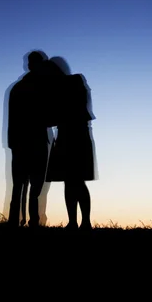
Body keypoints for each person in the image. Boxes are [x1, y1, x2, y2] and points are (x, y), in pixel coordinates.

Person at [45, 56, 97, 230]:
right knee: (70, 181)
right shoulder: (58, 88)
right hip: (68, 135)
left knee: (76, 180)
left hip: (76, 135)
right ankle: (74, 222)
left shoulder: (73, 81)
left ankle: (85, 222)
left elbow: (71, 110)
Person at [6, 51, 54, 228]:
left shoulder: (18, 88)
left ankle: (16, 221)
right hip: (34, 141)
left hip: (20, 142)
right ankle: (33, 221)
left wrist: (12, 143)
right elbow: (48, 117)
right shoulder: (42, 88)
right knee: (34, 186)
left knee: (20, 185)